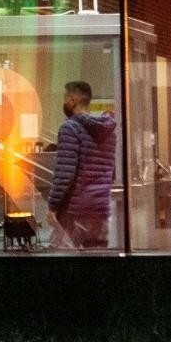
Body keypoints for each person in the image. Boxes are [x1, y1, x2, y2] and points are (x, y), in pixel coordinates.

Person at [47, 80, 117, 249]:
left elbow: (65, 174)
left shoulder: (69, 129)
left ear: (72, 101)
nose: (64, 102)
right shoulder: (108, 132)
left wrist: (53, 206)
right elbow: (110, 171)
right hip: (100, 210)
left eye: (65, 98)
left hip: (75, 212)